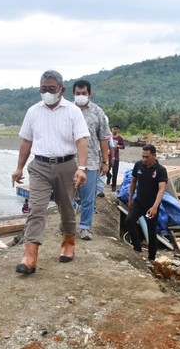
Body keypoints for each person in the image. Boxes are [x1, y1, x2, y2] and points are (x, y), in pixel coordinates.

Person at [12, 70, 89, 275]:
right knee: (36, 208)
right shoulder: (33, 112)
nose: (47, 93)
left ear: (61, 90)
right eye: (43, 89)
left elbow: (81, 140)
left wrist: (81, 168)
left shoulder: (73, 111)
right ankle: (30, 255)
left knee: (66, 207)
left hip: (66, 165)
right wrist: (19, 167)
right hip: (40, 167)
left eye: (51, 89)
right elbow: (26, 141)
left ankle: (68, 241)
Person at [72, 79, 111, 241]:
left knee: (88, 197)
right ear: (73, 93)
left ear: (90, 93)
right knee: (67, 196)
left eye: (84, 93)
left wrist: (105, 161)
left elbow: (103, 138)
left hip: (92, 161)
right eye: (77, 93)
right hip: (69, 161)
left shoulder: (97, 112)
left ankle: (85, 227)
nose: (81, 96)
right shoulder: (67, 110)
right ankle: (67, 224)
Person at [125, 144, 168, 261]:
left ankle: (151, 258)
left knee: (151, 231)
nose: (144, 159)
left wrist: (155, 207)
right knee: (129, 221)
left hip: (152, 205)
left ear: (154, 156)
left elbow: (162, 189)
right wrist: (130, 198)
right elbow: (133, 181)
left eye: (147, 157)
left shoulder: (160, 170)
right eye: (142, 156)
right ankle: (137, 248)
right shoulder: (138, 165)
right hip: (139, 202)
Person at [106, 124, 125, 192]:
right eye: (114, 129)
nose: (115, 130)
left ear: (118, 130)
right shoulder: (108, 136)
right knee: (106, 169)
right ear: (111, 129)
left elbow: (123, 146)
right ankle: (108, 176)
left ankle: (113, 186)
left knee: (115, 172)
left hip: (116, 158)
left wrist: (118, 146)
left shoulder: (120, 138)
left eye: (116, 129)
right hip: (107, 156)